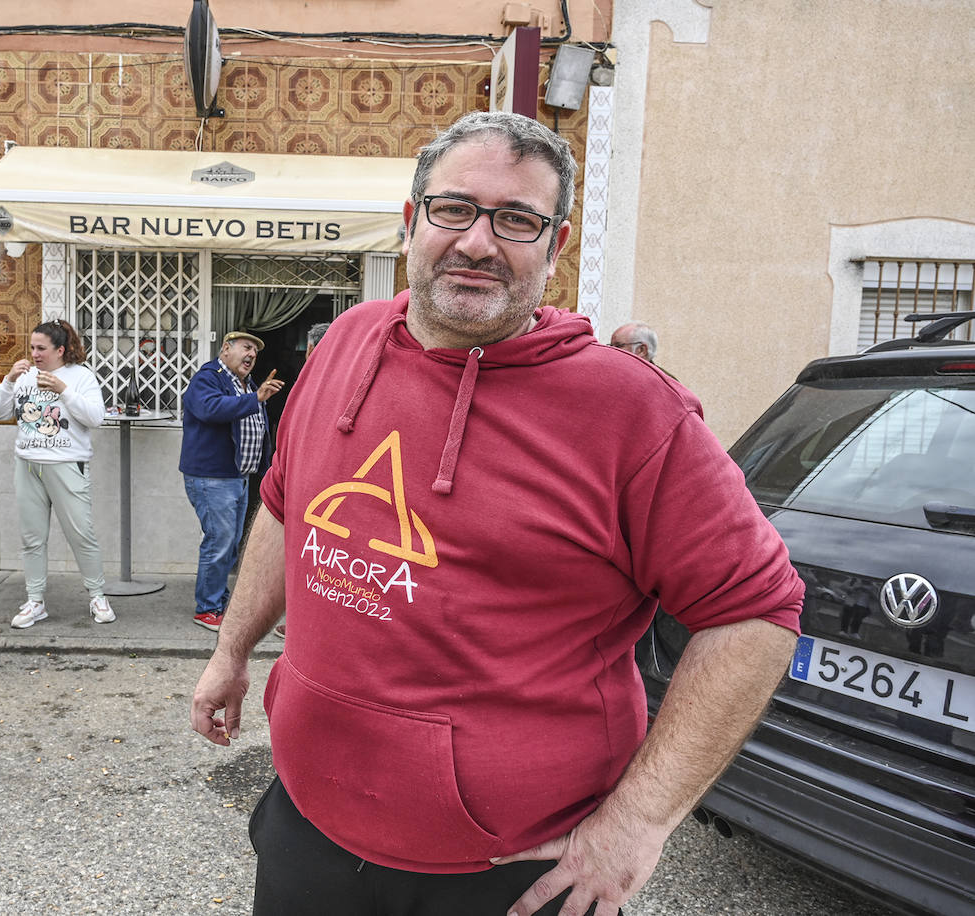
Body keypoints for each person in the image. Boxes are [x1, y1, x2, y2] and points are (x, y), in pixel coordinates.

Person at [190, 111, 804, 916]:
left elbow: (756, 611)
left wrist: (639, 822)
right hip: (309, 828)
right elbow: (283, 504)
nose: (479, 242)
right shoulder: (345, 340)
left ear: (555, 245)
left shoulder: (628, 412)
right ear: (412, 222)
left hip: (507, 874)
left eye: (517, 220)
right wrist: (231, 651)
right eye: (456, 209)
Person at [0, 320, 116, 628]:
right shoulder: (24, 377)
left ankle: (97, 596)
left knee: (81, 534)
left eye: (41, 349)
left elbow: (96, 418)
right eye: (32, 347)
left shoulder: (80, 376)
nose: (34, 354)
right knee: (32, 538)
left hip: (67, 464)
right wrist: (8, 381)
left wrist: (64, 390)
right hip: (28, 463)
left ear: (60, 350)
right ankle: (35, 601)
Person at [179, 331, 285, 633]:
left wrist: (265, 471)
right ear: (226, 348)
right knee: (219, 542)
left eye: (255, 351)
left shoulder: (247, 384)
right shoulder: (208, 378)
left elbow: (258, 429)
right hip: (212, 476)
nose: (251, 355)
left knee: (229, 542)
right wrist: (256, 398)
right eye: (246, 347)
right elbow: (209, 409)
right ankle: (207, 608)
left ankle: (218, 599)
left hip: (237, 477)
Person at [272, 320, 333, 640]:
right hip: (328, 487)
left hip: (313, 485)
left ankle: (301, 622)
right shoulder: (347, 375)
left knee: (307, 555)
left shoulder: (314, 381)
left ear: (309, 348)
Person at [610, 321, 677, 378]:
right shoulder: (613, 372)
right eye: (610, 346)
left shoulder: (665, 383)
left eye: (618, 346)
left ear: (641, 350)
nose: (611, 350)